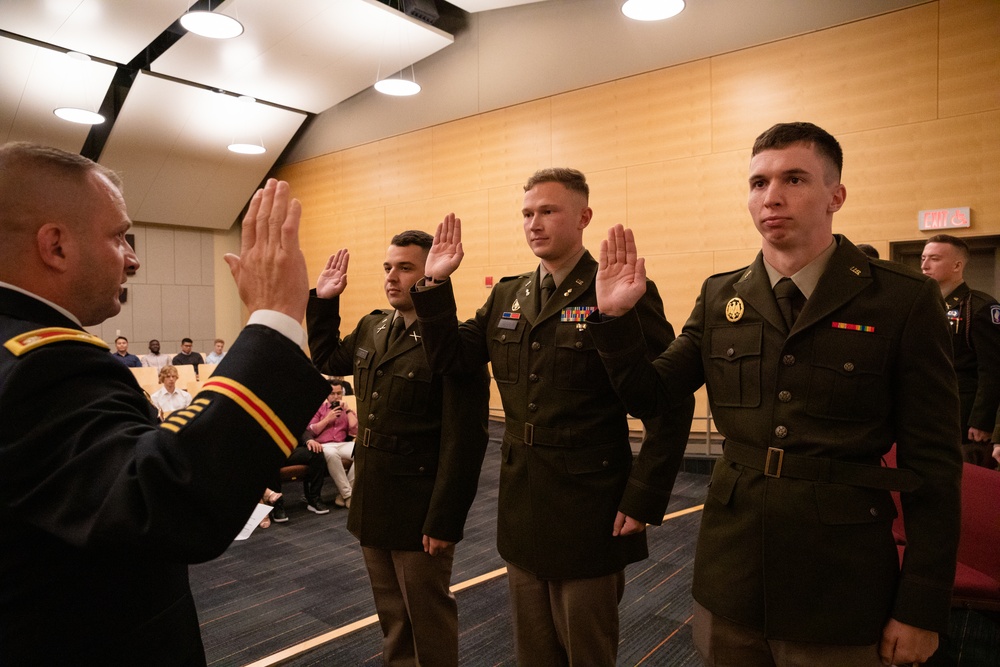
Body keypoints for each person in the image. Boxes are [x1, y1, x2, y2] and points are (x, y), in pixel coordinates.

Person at [589, 122, 963, 666]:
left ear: (836, 195)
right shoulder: (722, 295)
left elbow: (934, 462)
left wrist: (922, 606)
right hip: (732, 569)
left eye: (794, 179)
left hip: (840, 578)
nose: (772, 196)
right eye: (758, 182)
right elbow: (651, 396)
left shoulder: (901, 300)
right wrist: (616, 319)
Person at [0, 142, 329, 665]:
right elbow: (166, 500)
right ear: (55, 246)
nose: (133, 258)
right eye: (118, 237)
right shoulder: (43, 363)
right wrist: (275, 318)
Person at [411, 169, 694, 665]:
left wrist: (646, 495)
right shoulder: (508, 295)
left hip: (591, 505)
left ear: (584, 217)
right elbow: (452, 360)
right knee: (534, 650)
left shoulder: (621, 291)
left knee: (585, 647)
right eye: (526, 213)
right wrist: (434, 284)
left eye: (548, 211)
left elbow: (669, 401)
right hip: (523, 501)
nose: (534, 223)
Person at [308, 230, 490, 667]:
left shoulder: (453, 343)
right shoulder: (374, 326)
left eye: (405, 268)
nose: (392, 277)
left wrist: (445, 518)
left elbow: (464, 441)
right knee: (392, 616)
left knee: (427, 617)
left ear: (431, 273)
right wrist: (324, 301)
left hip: (420, 507)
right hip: (374, 497)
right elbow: (328, 359)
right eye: (388, 267)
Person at [921, 234, 1000, 469]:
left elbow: (993, 369)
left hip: (963, 419)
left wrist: (982, 420)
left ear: (957, 265)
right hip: (925, 413)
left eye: (934, 259)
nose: (924, 265)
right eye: (923, 258)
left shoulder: (980, 307)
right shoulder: (921, 304)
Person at [305, 378, 358, 508]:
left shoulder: (346, 409)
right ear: (327, 395)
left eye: (339, 393)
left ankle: (344, 494)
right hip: (323, 445)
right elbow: (311, 431)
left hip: (341, 444)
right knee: (331, 453)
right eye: (332, 394)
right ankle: (349, 495)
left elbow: (355, 429)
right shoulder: (319, 409)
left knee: (362, 451)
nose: (336, 397)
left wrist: (349, 411)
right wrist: (327, 419)